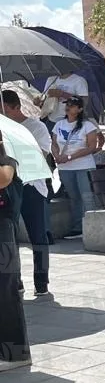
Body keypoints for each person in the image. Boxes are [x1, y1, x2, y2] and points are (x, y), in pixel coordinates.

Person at [3, 90, 51, 296]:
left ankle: (41, 281)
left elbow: (43, 155)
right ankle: (15, 280)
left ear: (16, 107)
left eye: (5, 110)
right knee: (8, 236)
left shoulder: (36, 127)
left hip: (31, 185)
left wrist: (13, 143)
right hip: (7, 187)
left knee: (37, 235)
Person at [50, 97, 102, 239]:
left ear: (79, 109)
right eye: (67, 105)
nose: (68, 107)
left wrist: (69, 157)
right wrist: (57, 155)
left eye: (72, 105)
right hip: (65, 167)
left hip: (83, 165)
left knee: (87, 196)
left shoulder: (87, 125)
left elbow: (91, 147)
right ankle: (78, 227)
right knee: (74, 197)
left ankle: (93, 226)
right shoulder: (59, 124)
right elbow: (54, 142)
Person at [0, 133, 27, 364]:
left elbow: (2, 179)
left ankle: (15, 355)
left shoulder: (8, 164)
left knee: (5, 290)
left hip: (2, 231)